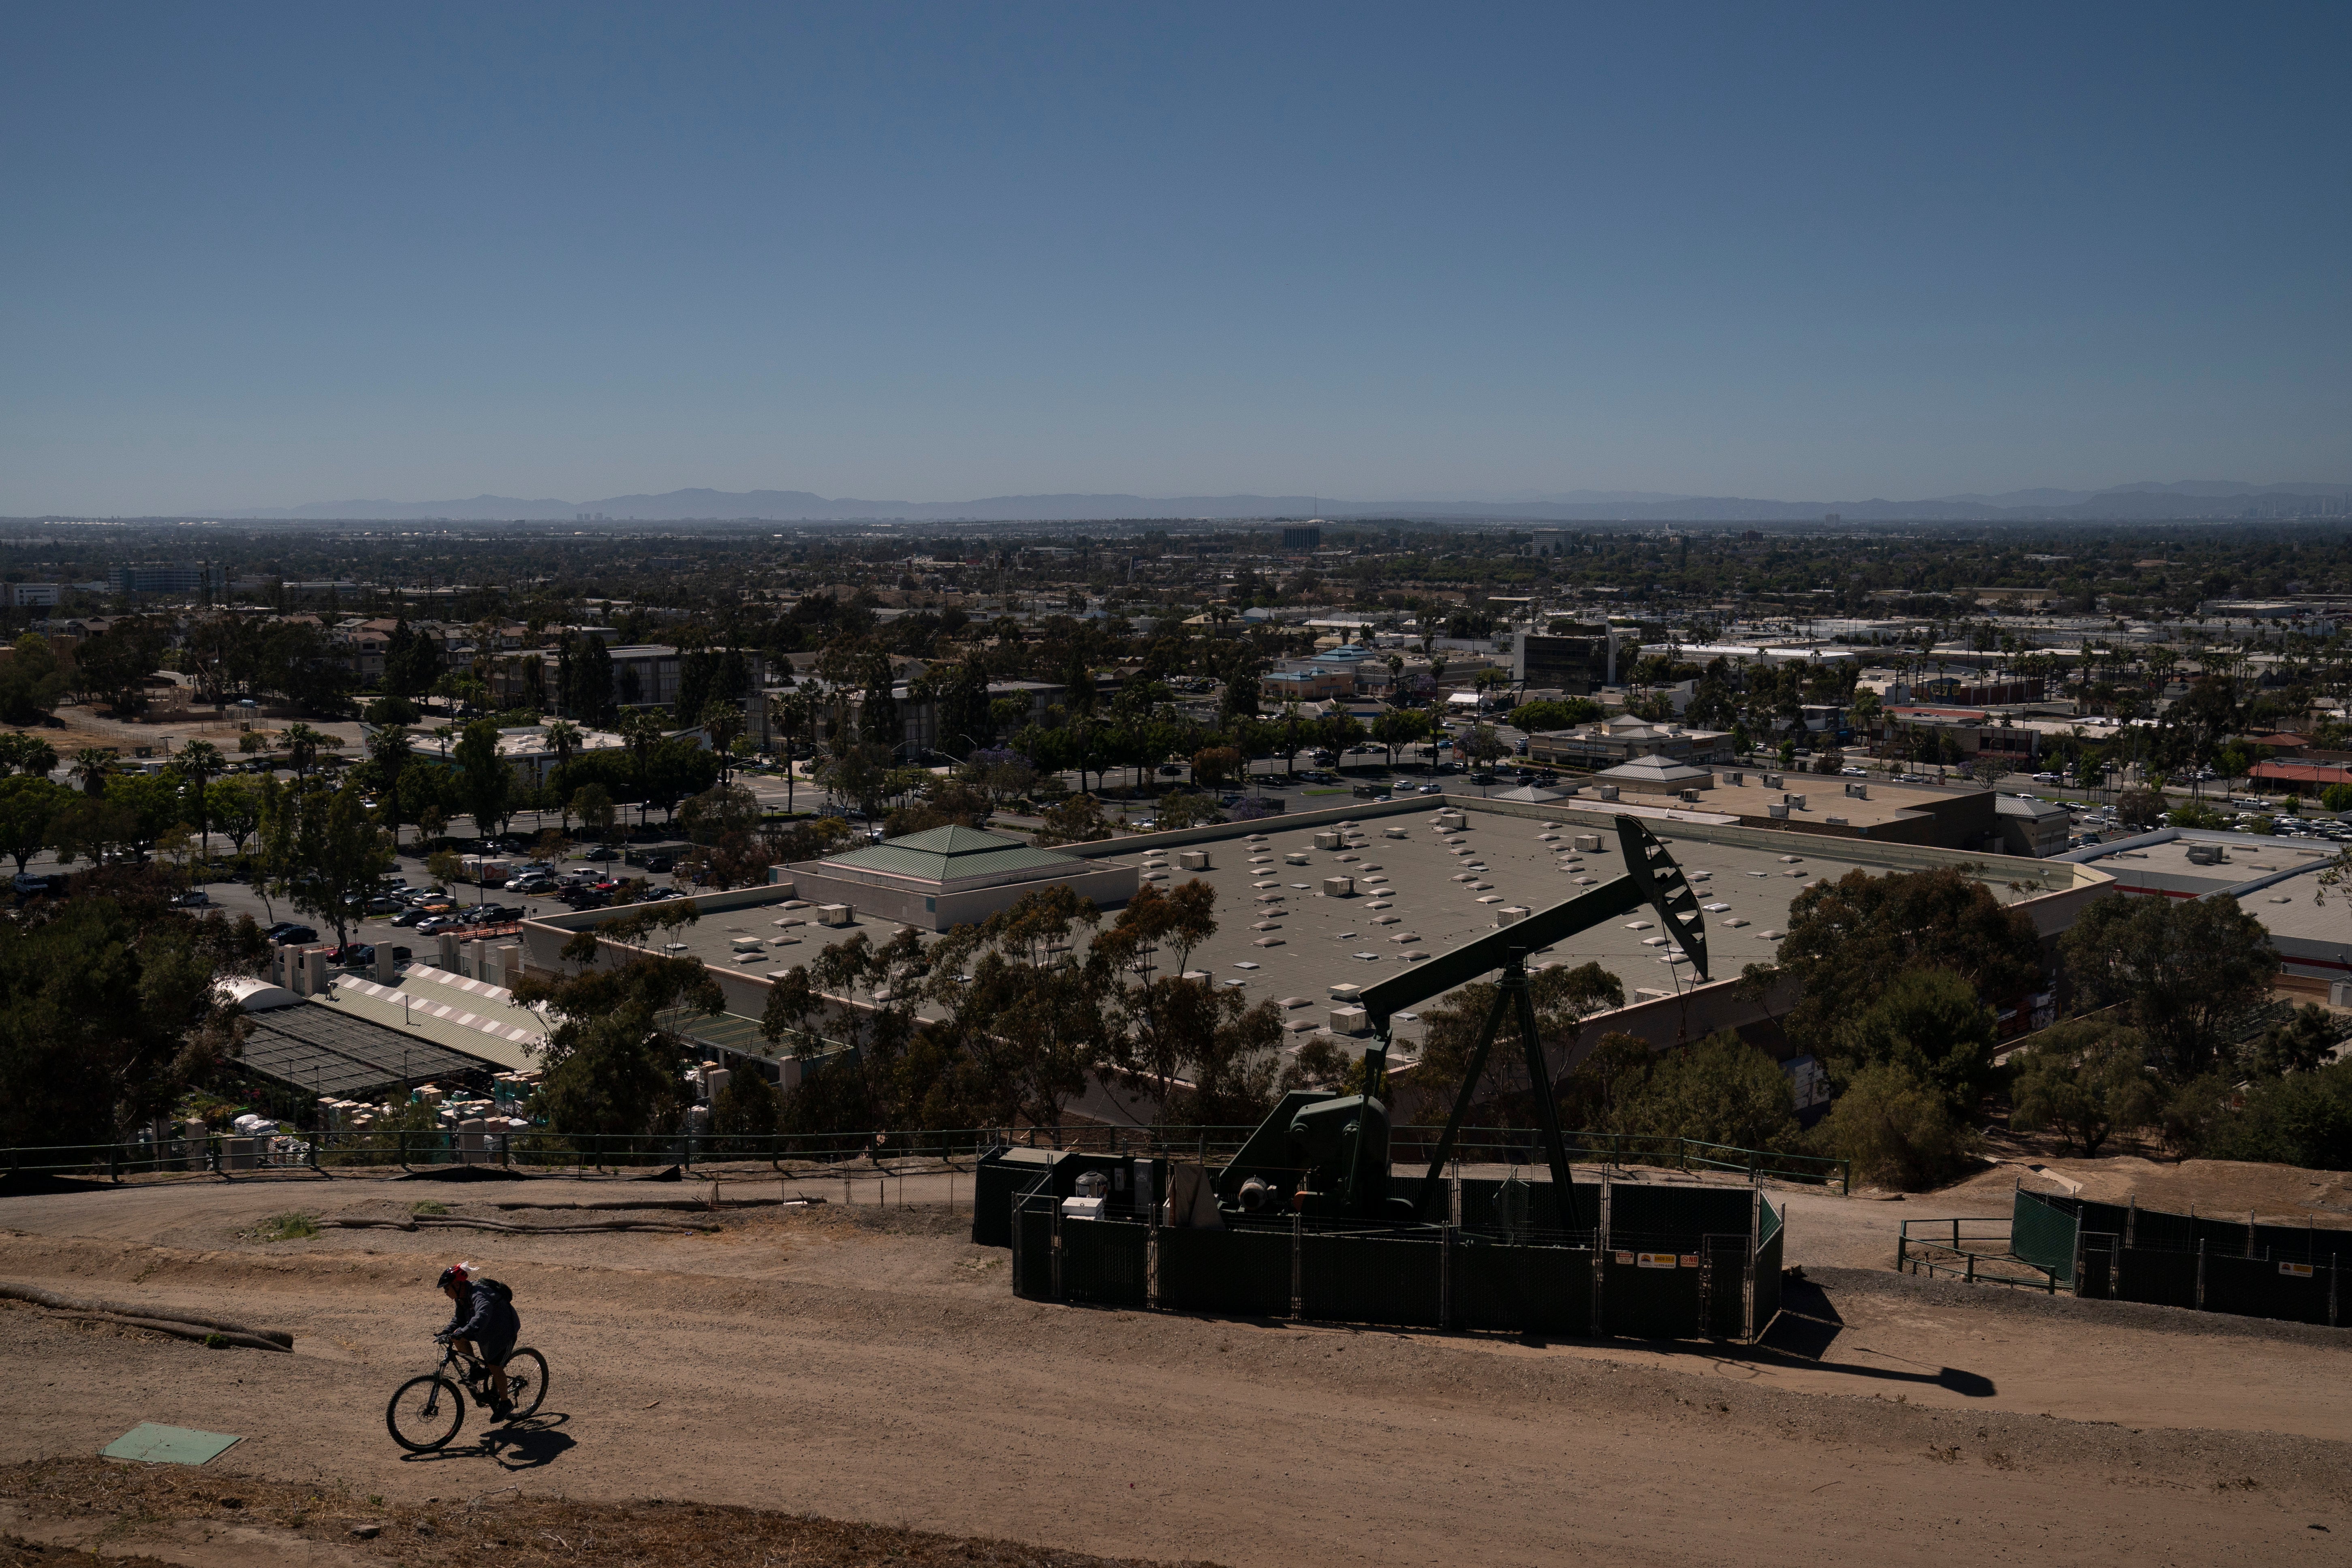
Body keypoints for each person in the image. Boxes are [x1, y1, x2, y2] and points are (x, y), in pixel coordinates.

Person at [435, 1262, 521, 1421]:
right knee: (456, 1335)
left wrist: (465, 1330)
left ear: (457, 1285)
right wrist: (447, 1331)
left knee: (495, 1366)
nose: (446, 1293)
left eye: (447, 1289)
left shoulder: (478, 1294)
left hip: (504, 1331)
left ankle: (505, 1403)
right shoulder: (461, 1297)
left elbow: (483, 1315)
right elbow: (459, 1319)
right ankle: (476, 1368)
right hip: (485, 1331)